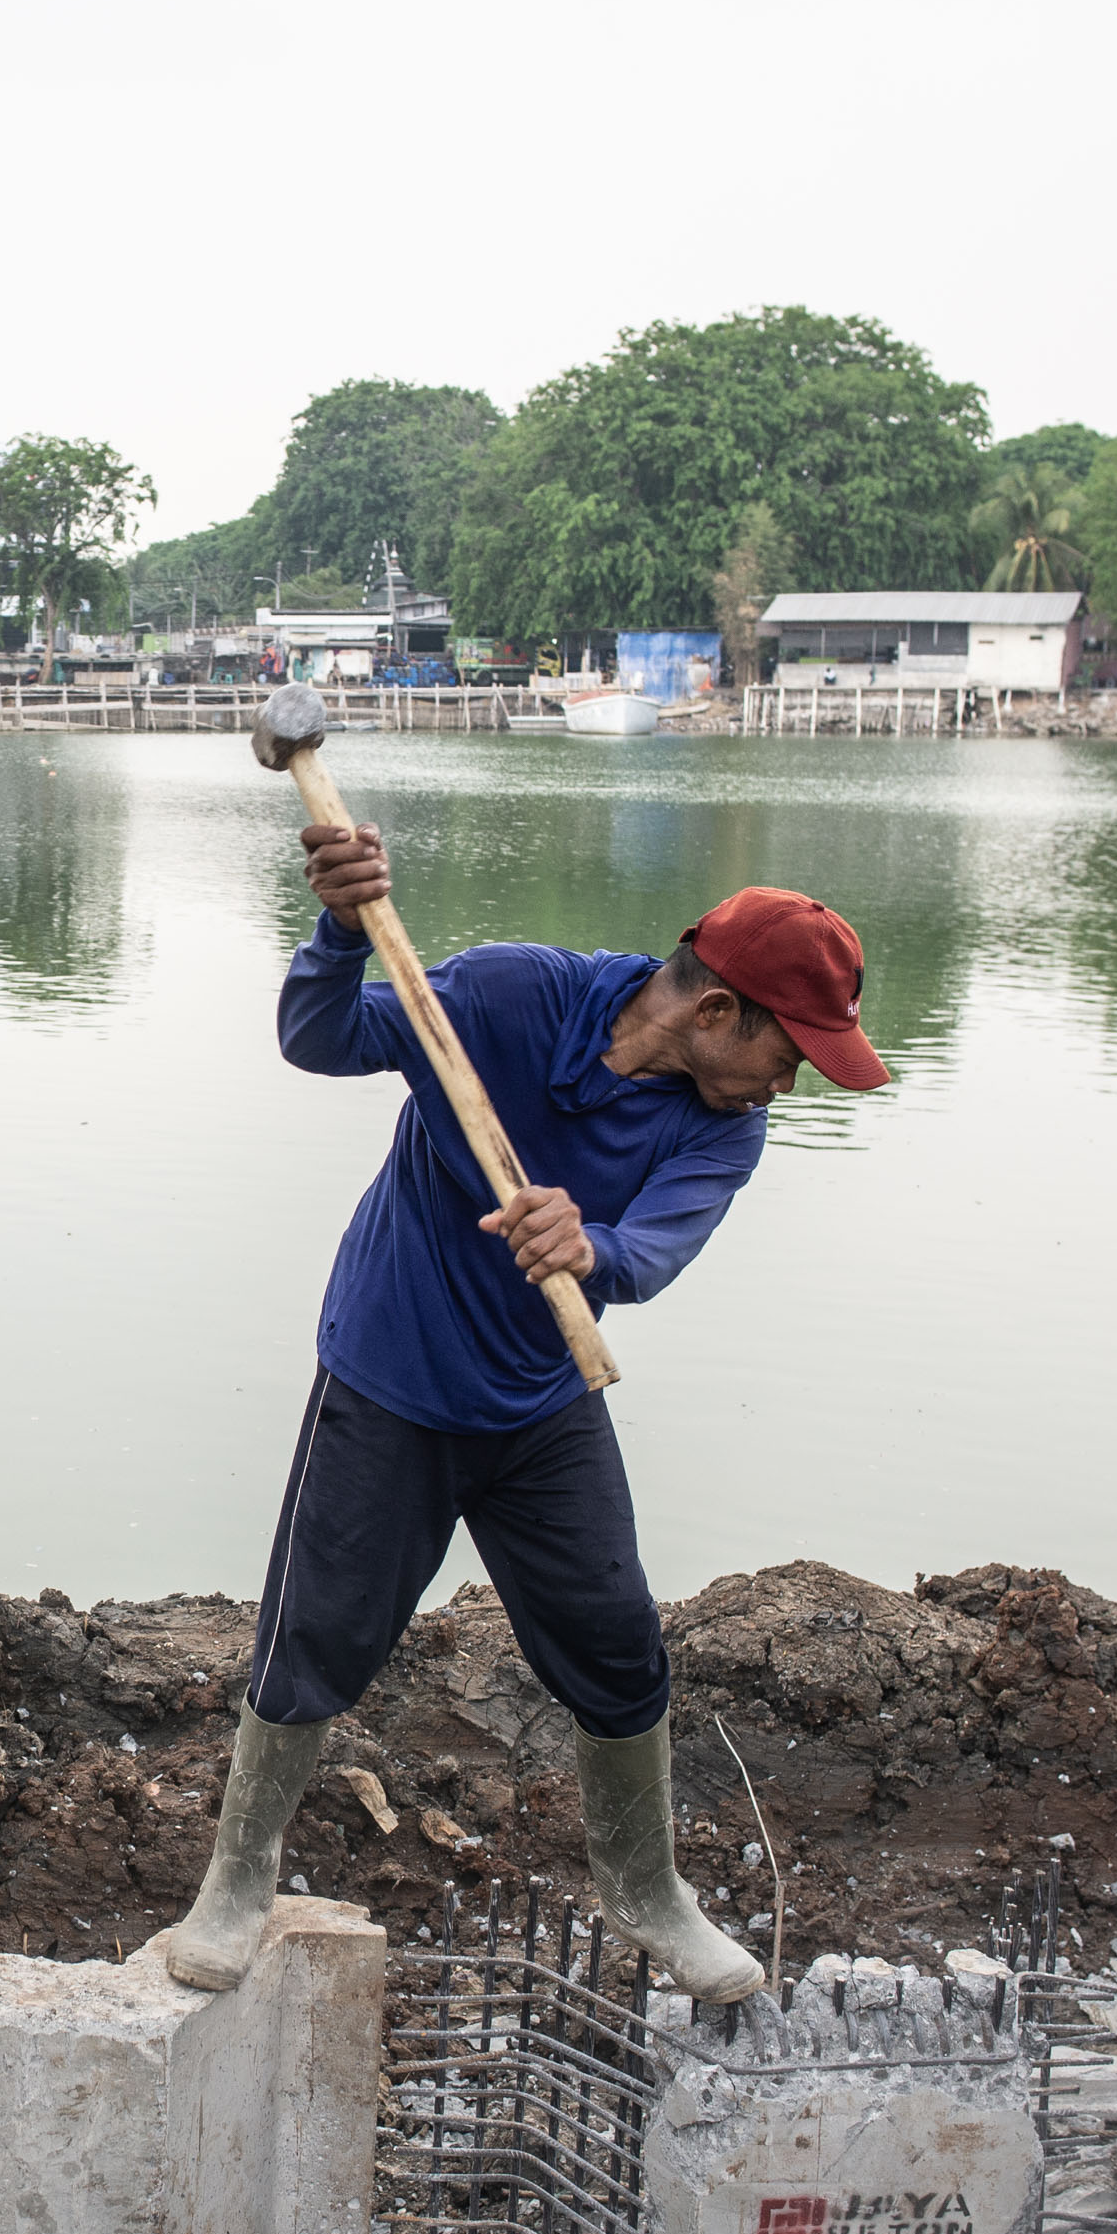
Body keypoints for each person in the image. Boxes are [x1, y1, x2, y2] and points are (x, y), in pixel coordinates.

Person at [150, 834, 890, 2004]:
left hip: (542, 1402)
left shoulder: (721, 1125)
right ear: (714, 1010)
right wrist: (342, 931)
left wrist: (591, 1245)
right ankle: (237, 1881)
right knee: (315, 1640)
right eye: (789, 1052)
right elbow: (322, 1037)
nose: (788, 1084)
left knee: (614, 1643)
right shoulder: (506, 994)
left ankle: (645, 1890)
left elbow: (657, 1247)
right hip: (389, 1381)